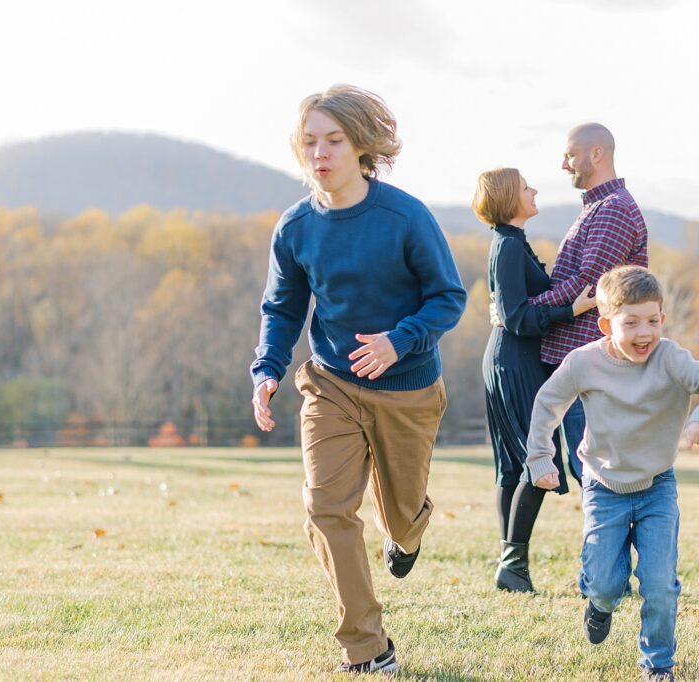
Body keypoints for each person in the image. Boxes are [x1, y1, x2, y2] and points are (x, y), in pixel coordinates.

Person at [250, 84, 466, 675]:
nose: (320, 152)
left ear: (361, 146)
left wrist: (400, 341)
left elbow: (449, 297)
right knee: (325, 508)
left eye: (333, 140)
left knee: (400, 514)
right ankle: (368, 646)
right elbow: (283, 309)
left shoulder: (404, 217)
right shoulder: (295, 228)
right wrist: (267, 368)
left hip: (409, 390)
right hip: (331, 385)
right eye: (310, 141)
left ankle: (405, 531)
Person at [526, 265, 699, 681]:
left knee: (659, 584)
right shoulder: (583, 363)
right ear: (606, 324)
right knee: (605, 583)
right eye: (632, 322)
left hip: (657, 485)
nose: (645, 332)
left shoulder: (669, 358)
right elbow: (547, 403)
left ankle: (657, 665)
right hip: (604, 485)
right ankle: (600, 603)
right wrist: (539, 457)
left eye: (653, 320)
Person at [471, 167, 596, 593]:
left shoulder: (513, 243)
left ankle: (513, 566)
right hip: (514, 360)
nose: (535, 190)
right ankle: (512, 565)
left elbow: (513, 307)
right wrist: (572, 311)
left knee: (515, 465)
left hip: (512, 357)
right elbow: (516, 316)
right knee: (536, 460)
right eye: (526, 187)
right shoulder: (506, 245)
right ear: (509, 197)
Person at [522, 123, 649, 487]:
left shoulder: (613, 210)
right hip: (577, 358)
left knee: (597, 472)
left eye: (570, 155)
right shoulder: (597, 207)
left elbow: (588, 285)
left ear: (597, 154)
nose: (565, 165)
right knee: (586, 470)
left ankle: (613, 545)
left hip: (592, 359)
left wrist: (526, 308)